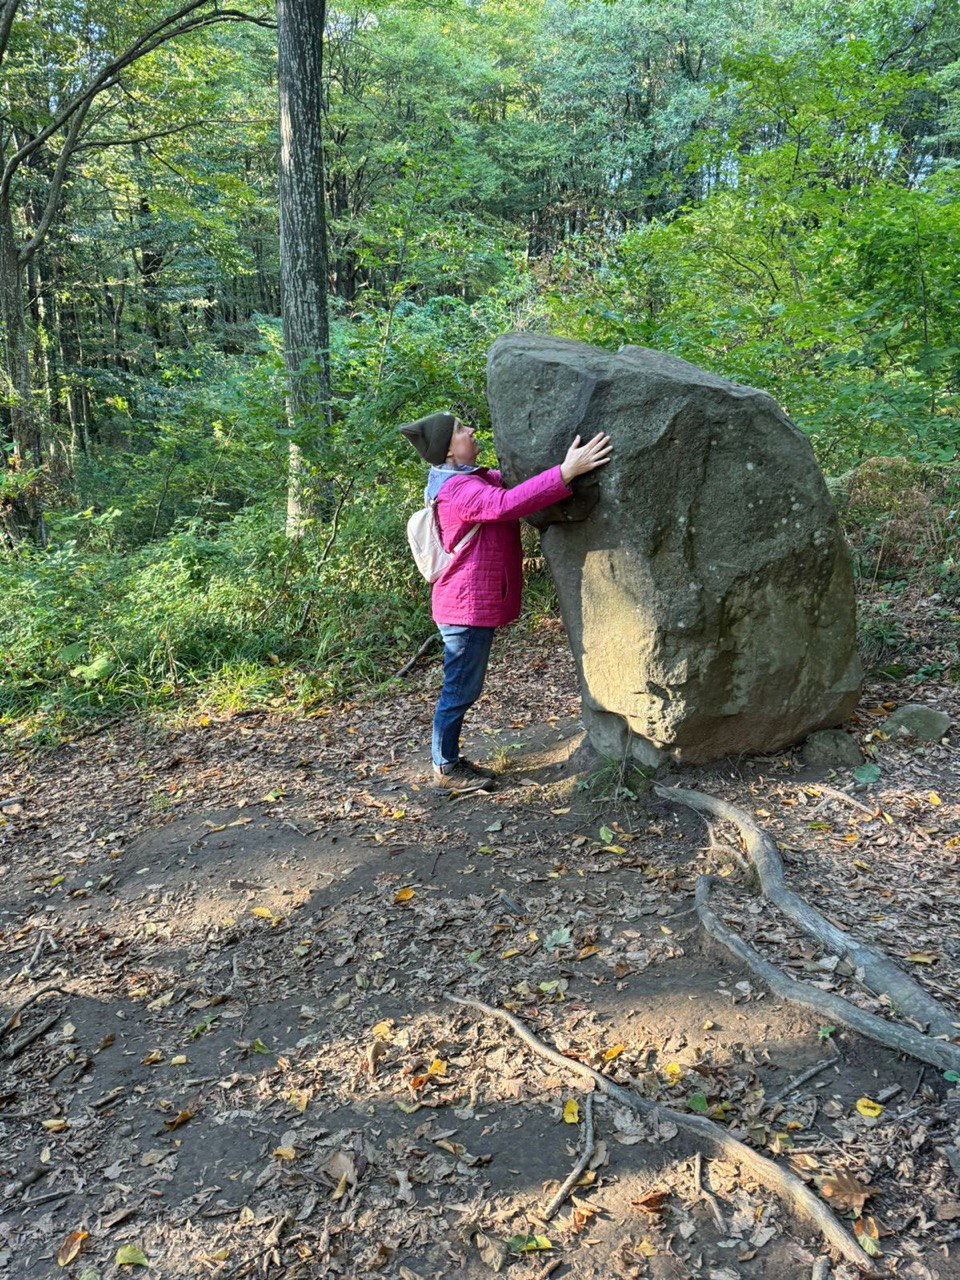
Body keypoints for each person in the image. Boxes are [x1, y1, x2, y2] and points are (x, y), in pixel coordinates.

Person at [400, 410, 612, 793]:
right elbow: (507, 503)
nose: (471, 431)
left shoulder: (465, 478)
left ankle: (447, 760)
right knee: (460, 689)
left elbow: (512, 484)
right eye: (461, 429)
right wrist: (567, 471)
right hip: (463, 608)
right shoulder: (458, 490)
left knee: (461, 687)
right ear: (448, 449)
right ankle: (445, 767)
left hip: (463, 604)